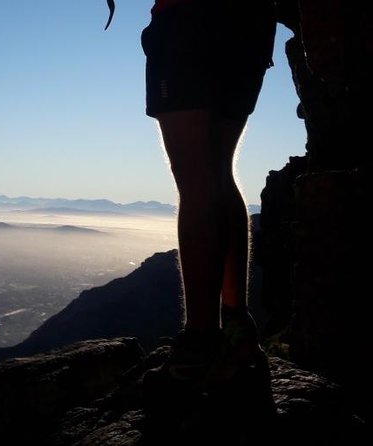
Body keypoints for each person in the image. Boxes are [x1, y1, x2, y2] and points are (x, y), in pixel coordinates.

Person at [140, 0, 277, 386]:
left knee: (196, 177)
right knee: (218, 170)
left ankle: (199, 346)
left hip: (187, 21)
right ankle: (237, 327)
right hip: (250, 24)